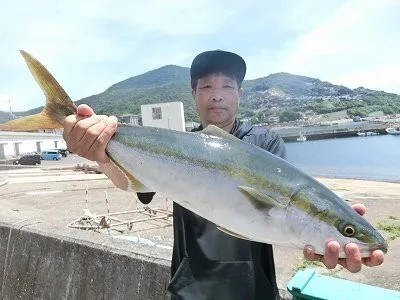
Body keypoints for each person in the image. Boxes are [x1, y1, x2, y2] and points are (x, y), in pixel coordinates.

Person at [63, 50, 385, 300]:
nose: (216, 94)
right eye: (206, 86)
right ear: (194, 95)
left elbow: (296, 206)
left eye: (227, 86)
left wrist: (332, 236)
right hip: (190, 288)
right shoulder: (178, 144)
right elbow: (135, 185)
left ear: (240, 94)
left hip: (254, 289)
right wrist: (100, 152)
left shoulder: (264, 142)